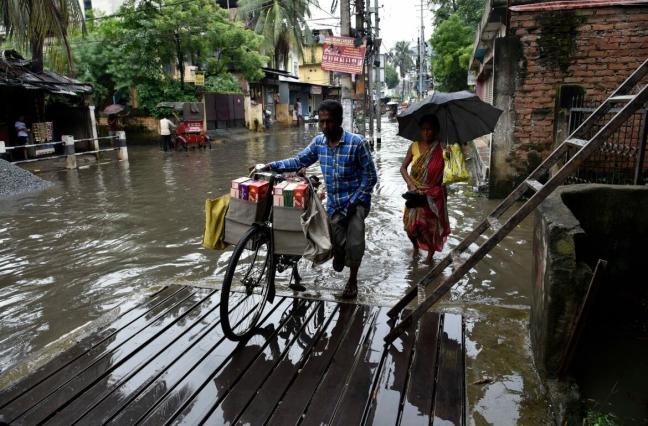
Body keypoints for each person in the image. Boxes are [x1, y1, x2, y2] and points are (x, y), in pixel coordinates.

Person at [261, 100, 378, 299]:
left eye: (329, 122)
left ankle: (353, 280)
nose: (324, 126)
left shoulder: (357, 143)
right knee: (335, 243)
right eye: (321, 122)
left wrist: (355, 201)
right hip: (334, 203)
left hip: (356, 202)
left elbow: (370, 177)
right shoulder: (319, 143)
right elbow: (299, 160)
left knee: (355, 243)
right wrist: (271, 166)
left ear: (339, 121)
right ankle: (341, 256)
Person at [400, 114, 450, 264]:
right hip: (414, 193)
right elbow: (403, 168)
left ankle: (430, 255)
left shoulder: (441, 148)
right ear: (420, 131)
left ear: (436, 131)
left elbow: (450, 172)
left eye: (430, 129)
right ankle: (415, 247)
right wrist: (410, 183)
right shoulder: (414, 146)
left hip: (432, 195)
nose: (427, 133)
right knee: (409, 227)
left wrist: (448, 154)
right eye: (424, 129)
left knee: (426, 227)